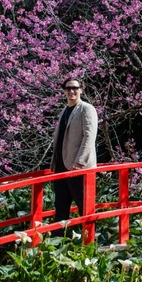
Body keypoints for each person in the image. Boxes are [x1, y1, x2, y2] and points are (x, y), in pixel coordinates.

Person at [51, 77, 98, 233]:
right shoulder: (64, 111)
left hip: (78, 167)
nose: (71, 91)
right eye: (68, 88)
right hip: (61, 166)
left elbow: (89, 136)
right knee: (61, 207)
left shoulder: (86, 109)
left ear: (81, 90)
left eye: (75, 88)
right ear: (64, 91)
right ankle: (59, 245)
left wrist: (80, 162)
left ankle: (91, 242)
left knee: (83, 205)